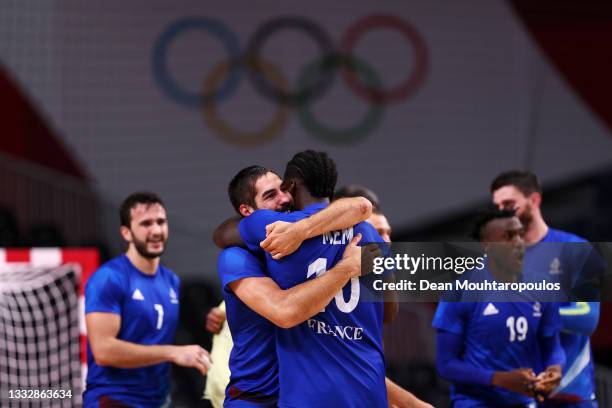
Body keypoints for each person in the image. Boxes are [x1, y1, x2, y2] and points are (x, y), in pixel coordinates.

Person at [210, 165, 377, 407]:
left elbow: (359, 207)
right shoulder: (236, 258)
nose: (285, 199)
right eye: (270, 195)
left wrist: (299, 231)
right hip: (257, 398)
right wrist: (348, 267)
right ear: (247, 211)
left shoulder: (305, 248)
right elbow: (285, 313)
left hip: (305, 396)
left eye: (284, 190)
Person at [84, 192, 211, 407]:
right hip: (115, 400)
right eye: (145, 224)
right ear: (126, 233)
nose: (156, 230)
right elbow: (104, 351)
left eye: (161, 222)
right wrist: (173, 352)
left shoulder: (170, 280)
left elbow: (154, 341)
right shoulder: (109, 278)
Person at [433, 207, 565, 407]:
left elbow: (553, 346)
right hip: (475, 402)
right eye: (509, 236)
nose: (519, 242)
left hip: (525, 400)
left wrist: (555, 368)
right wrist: (498, 379)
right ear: (488, 244)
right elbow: (445, 364)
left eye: (521, 234)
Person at [491, 170, 601, 407]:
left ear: (534, 200)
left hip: (570, 396)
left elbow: (587, 318)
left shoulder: (575, 248)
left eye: (509, 203)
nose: (503, 212)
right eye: (498, 206)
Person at [334, 184, 434, 408]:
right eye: (378, 232)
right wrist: (414, 404)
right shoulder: (331, 293)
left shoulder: (367, 288)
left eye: (388, 232)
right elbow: (350, 365)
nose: (386, 240)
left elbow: (364, 368)